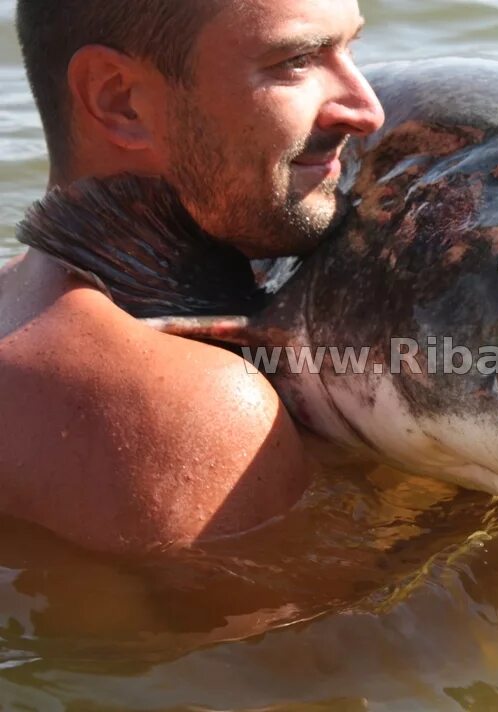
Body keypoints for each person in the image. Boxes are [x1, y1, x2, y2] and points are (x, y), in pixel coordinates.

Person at [0, 0, 385, 554]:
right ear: (120, 100)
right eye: (296, 60)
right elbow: (312, 639)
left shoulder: (18, 299)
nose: (366, 109)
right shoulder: (194, 410)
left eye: (350, 48)